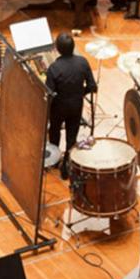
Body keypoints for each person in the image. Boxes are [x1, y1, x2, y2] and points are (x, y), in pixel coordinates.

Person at [45, 32, 97, 180]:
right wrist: (80, 93)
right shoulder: (83, 62)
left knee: (54, 131)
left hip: (58, 107)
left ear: (57, 49)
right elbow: (92, 86)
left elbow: (50, 93)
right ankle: (67, 164)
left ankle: (54, 162)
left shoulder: (54, 68)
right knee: (71, 136)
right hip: (76, 106)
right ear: (73, 47)